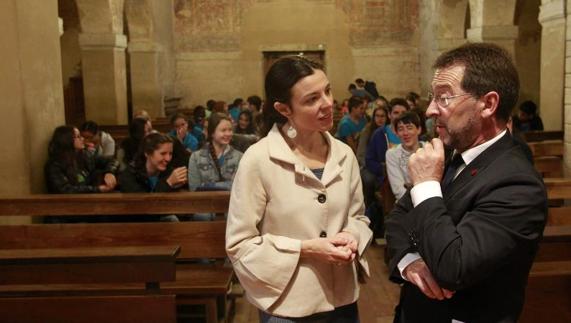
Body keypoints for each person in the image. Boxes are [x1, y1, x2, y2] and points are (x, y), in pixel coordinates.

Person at [385, 42, 547, 323]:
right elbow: (398, 219)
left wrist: (425, 186)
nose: (430, 110)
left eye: (444, 98)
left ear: (488, 104)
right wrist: (409, 262)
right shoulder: (447, 154)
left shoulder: (518, 182)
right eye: (432, 97)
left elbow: (454, 267)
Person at [226, 55, 372, 322]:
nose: (327, 104)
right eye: (311, 99)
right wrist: (306, 249)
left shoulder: (343, 153)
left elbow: (358, 216)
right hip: (287, 301)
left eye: (327, 91)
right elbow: (240, 244)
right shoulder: (259, 159)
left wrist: (353, 235)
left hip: (341, 299)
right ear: (284, 109)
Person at [45, 125, 118, 194]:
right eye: (78, 136)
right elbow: (65, 190)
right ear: (67, 140)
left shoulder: (84, 155)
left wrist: (109, 172)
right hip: (69, 203)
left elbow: (112, 161)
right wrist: (97, 189)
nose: (82, 139)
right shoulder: (54, 165)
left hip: (90, 198)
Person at [187, 113, 243, 192]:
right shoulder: (196, 157)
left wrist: (206, 185)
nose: (228, 134)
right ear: (212, 133)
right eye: (223, 130)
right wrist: (226, 185)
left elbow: (239, 186)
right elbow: (194, 188)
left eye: (230, 130)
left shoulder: (240, 157)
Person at [385, 111, 424, 200]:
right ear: (397, 133)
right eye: (400, 129)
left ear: (419, 130)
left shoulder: (429, 150)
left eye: (409, 128)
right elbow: (398, 190)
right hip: (405, 204)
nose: (405, 133)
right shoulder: (392, 154)